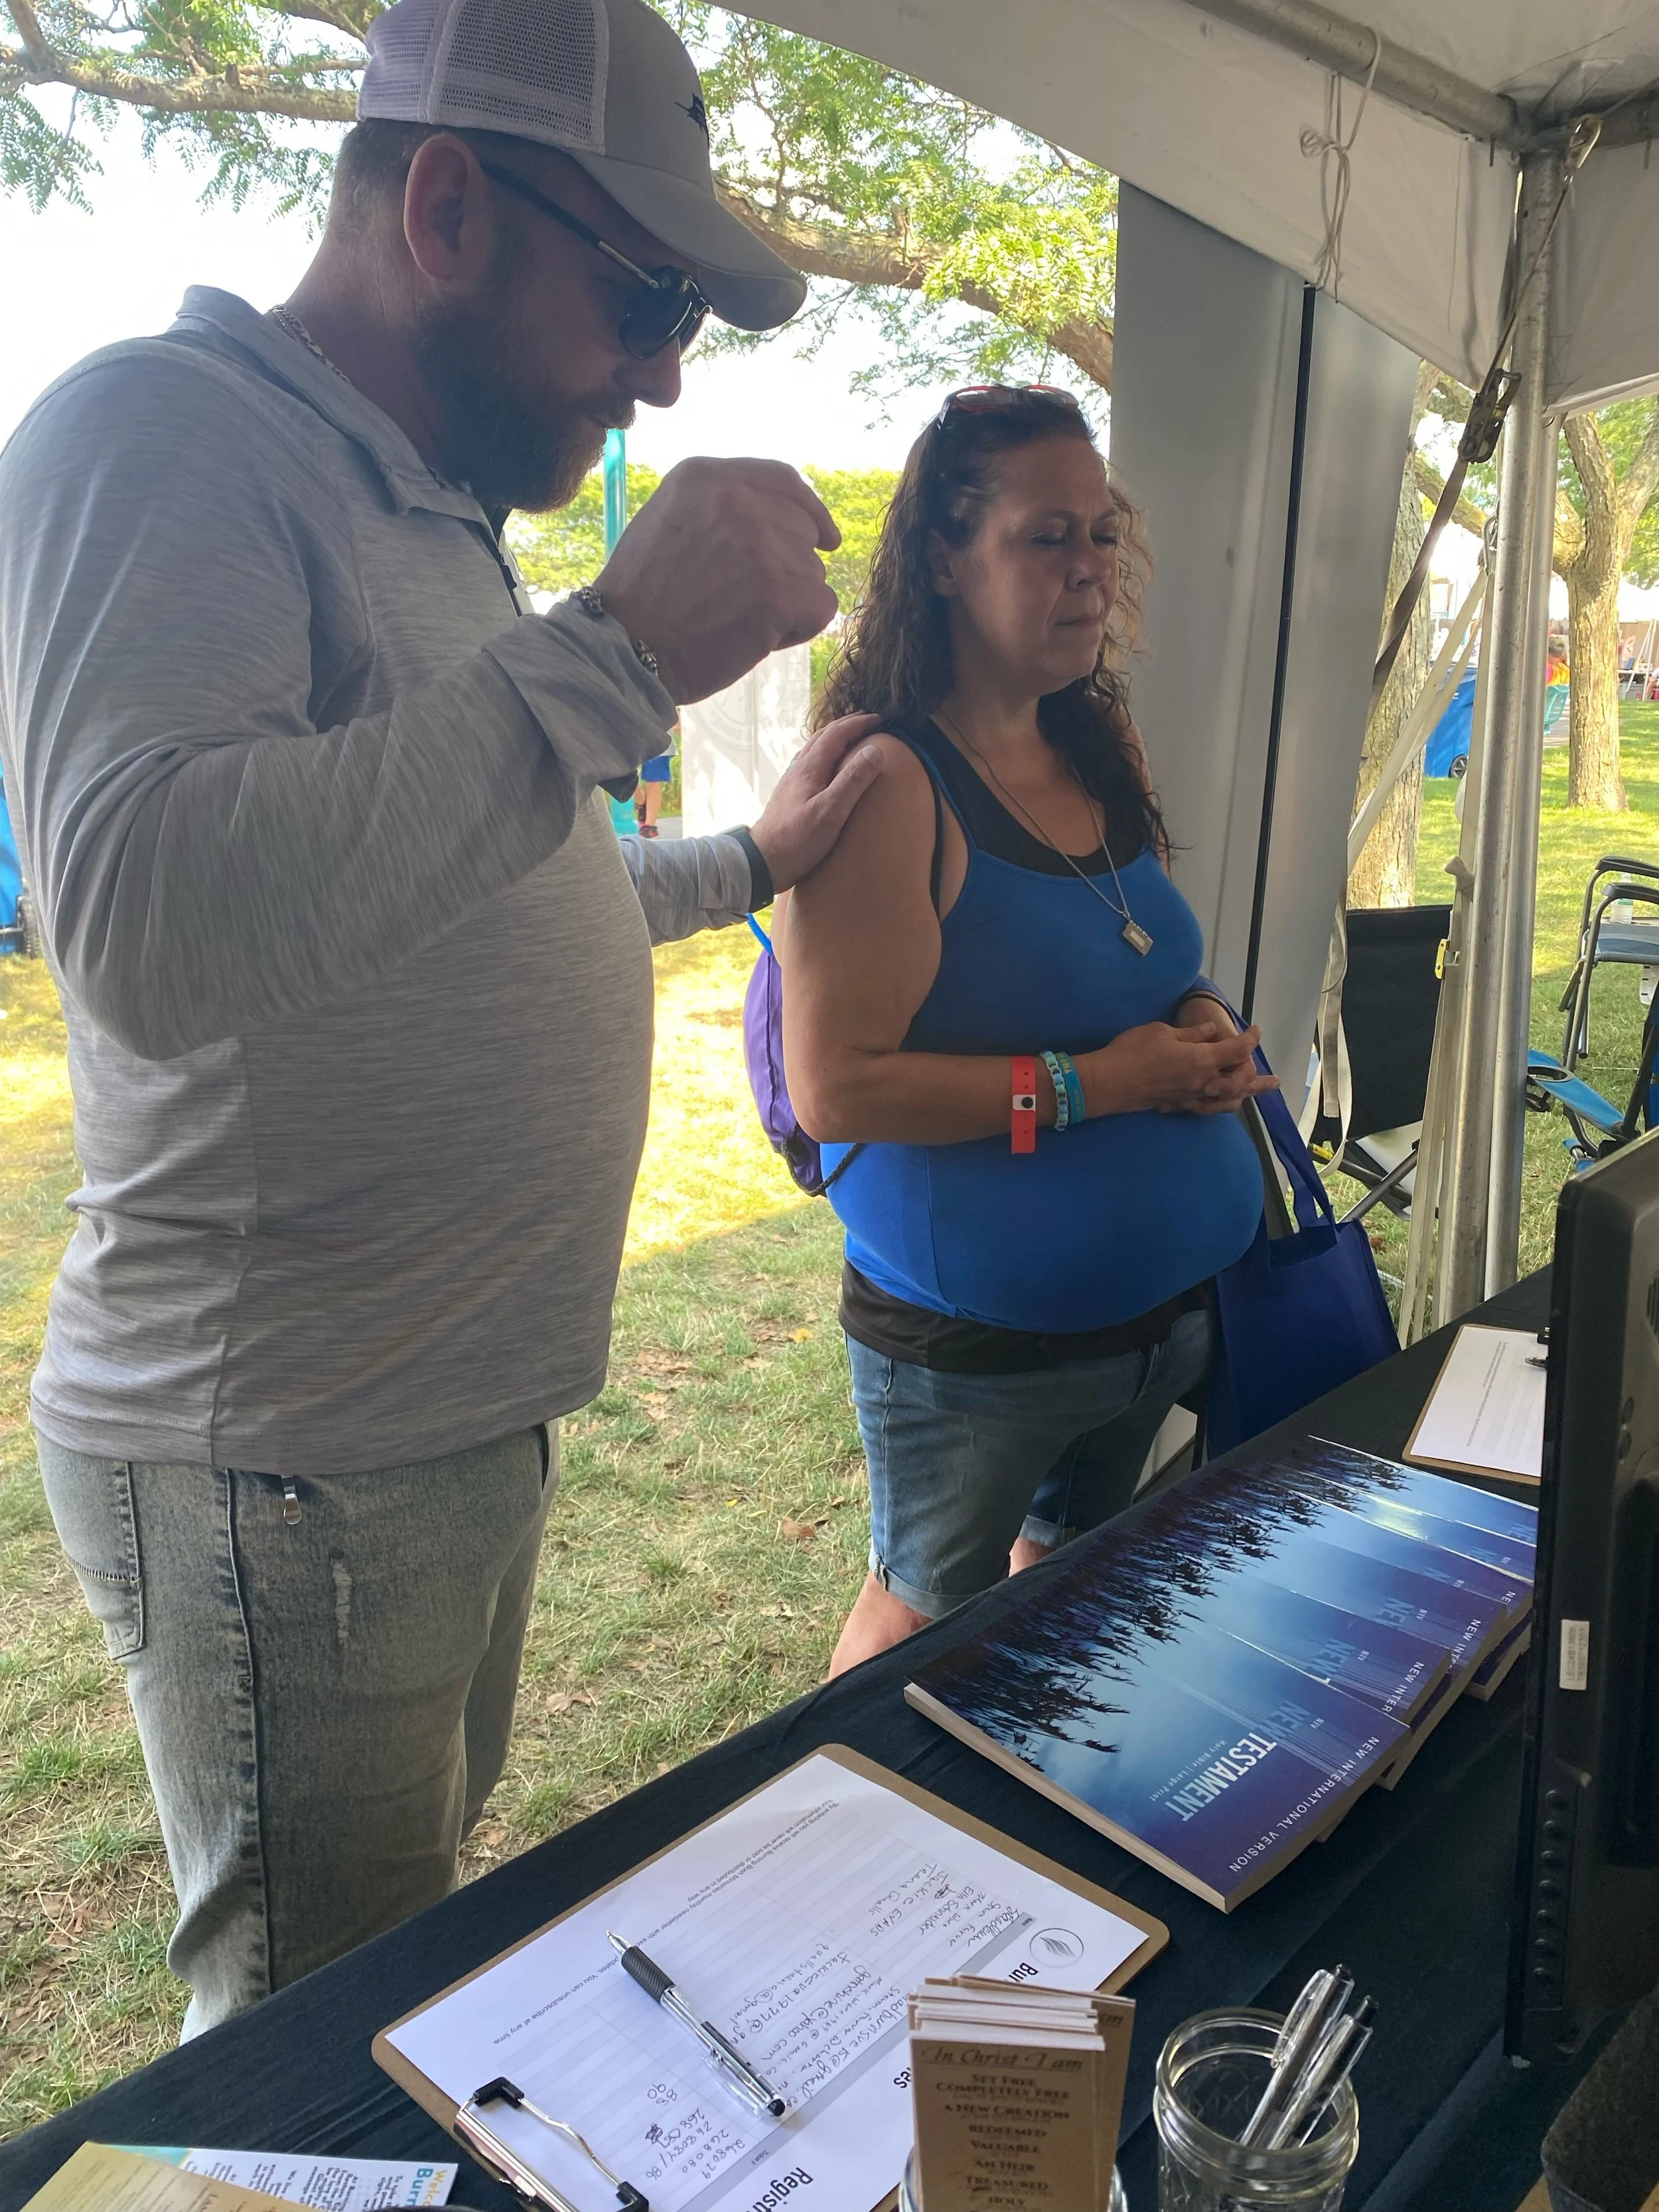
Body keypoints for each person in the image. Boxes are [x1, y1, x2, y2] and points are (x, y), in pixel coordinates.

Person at [0, 0, 885, 2034]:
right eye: (646, 292)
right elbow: (133, 913)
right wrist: (611, 655)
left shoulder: (431, 516)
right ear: (449, 204)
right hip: (281, 1452)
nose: (665, 370)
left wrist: (755, 853)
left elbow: (488, 884)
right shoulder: (155, 434)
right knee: (311, 2054)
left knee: (395, 1974)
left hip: (432, 1426)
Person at [778, 385, 1274, 1676]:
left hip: (1157, 1323)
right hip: (980, 1352)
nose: (1089, 571)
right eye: (1045, 538)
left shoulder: (1086, 740)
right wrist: (1103, 1086)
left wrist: (1201, 1022)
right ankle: (849, 1842)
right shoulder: (886, 779)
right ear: (942, 559)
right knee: (918, 1625)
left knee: (1055, 1597)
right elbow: (835, 1086)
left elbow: (1136, 957)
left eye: (1101, 536)